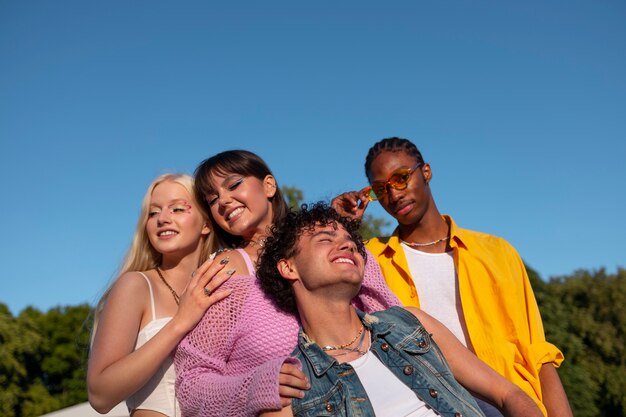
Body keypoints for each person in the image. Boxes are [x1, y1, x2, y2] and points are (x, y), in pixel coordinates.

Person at [332, 137, 572, 417]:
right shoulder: (371, 259)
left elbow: (538, 353)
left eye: (400, 178)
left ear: (426, 172)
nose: (394, 195)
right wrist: (340, 225)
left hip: (514, 403)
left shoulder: (496, 252)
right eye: (380, 189)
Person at [256, 202, 544, 417]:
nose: (347, 244)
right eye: (325, 239)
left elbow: (509, 394)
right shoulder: (290, 386)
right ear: (288, 266)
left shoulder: (410, 323)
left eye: (351, 242)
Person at [174, 150, 400, 417]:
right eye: (212, 200)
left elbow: (393, 325)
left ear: (269, 185)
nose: (223, 201)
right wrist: (253, 388)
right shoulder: (226, 271)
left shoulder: (326, 245)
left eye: (234, 185)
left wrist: (345, 238)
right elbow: (191, 385)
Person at [88, 174, 233, 416]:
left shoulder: (225, 284)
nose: (162, 219)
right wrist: (180, 323)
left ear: (206, 223)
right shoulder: (136, 285)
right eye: (153, 213)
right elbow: (100, 395)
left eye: (177, 209)